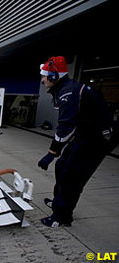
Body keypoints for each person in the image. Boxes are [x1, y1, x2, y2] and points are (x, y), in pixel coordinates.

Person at [37, 56, 114, 227]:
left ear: (54, 77)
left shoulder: (68, 92)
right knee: (61, 166)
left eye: (44, 76)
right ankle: (59, 203)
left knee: (72, 176)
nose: (42, 80)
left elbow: (65, 128)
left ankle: (62, 216)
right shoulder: (64, 89)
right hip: (85, 134)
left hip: (97, 139)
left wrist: (51, 153)